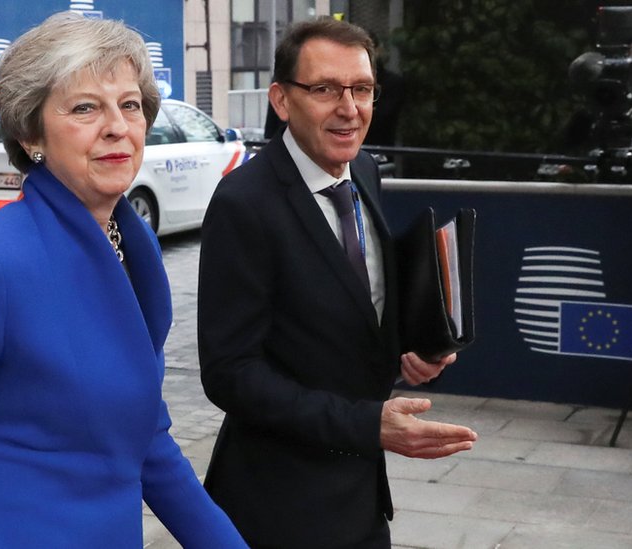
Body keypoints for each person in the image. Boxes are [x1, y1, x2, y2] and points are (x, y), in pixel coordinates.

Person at [0, 13, 247, 548]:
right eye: (85, 107)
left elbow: (146, 440)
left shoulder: (137, 246)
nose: (117, 126)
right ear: (30, 132)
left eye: (129, 105)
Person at [197, 18, 478, 548]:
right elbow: (230, 374)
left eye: (362, 89)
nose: (349, 108)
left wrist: (413, 351)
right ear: (281, 100)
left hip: (362, 501)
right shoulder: (243, 204)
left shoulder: (364, 170)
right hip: (277, 509)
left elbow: (350, 311)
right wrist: (366, 425)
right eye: (325, 89)